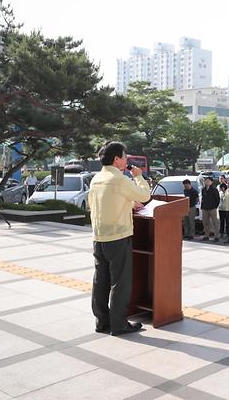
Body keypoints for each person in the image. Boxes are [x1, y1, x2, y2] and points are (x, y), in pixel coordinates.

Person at [88, 141, 151, 336]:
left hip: (99, 237)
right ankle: (119, 324)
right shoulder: (120, 180)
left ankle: (102, 321)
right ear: (117, 159)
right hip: (118, 236)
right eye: (125, 156)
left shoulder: (96, 179)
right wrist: (139, 177)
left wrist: (129, 204)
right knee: (120, 282)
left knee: (101, 281)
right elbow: (145, 195)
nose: (126, 160)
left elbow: (104, 202)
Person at [200, 176, 220, 242]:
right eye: (206, 181)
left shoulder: (214, 189)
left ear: (211, 182)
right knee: (205, 222)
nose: (207, 182)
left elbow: (217, 199)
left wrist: (215, 206)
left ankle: (216, 236)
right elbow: (203, 198)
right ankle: (206, 235)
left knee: (214, 222)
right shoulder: (203, 189)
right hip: (205, 208)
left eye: (208, 181)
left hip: (212, 208)